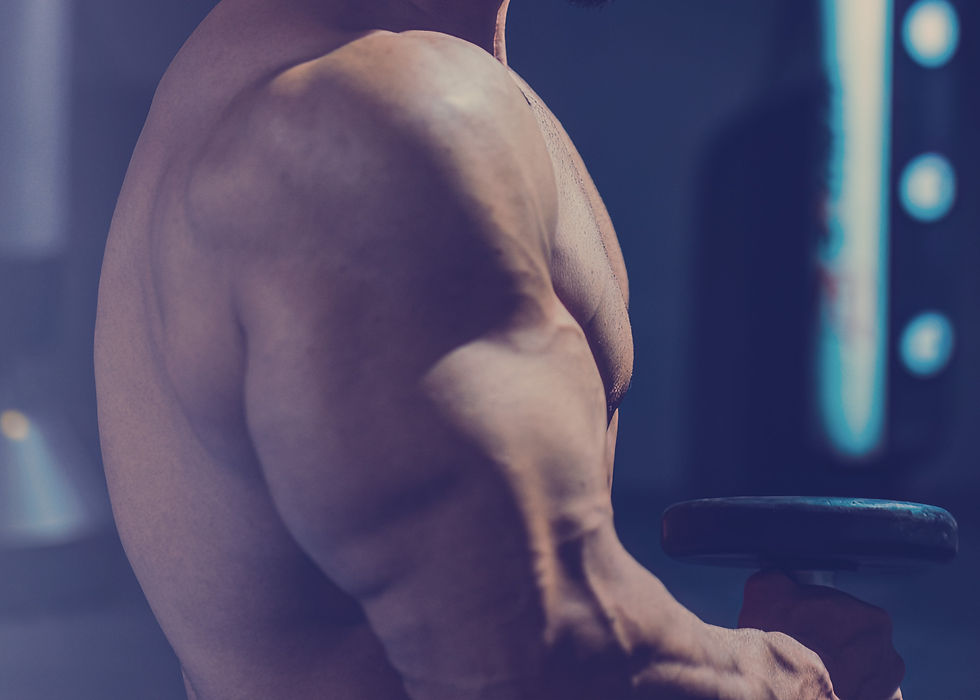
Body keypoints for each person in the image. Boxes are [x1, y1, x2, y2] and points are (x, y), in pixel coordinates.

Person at [94, 1, 905, 698]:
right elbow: (537, 658)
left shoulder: (446, 86)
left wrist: (739, 656)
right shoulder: (373, 117)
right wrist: (793, 679)